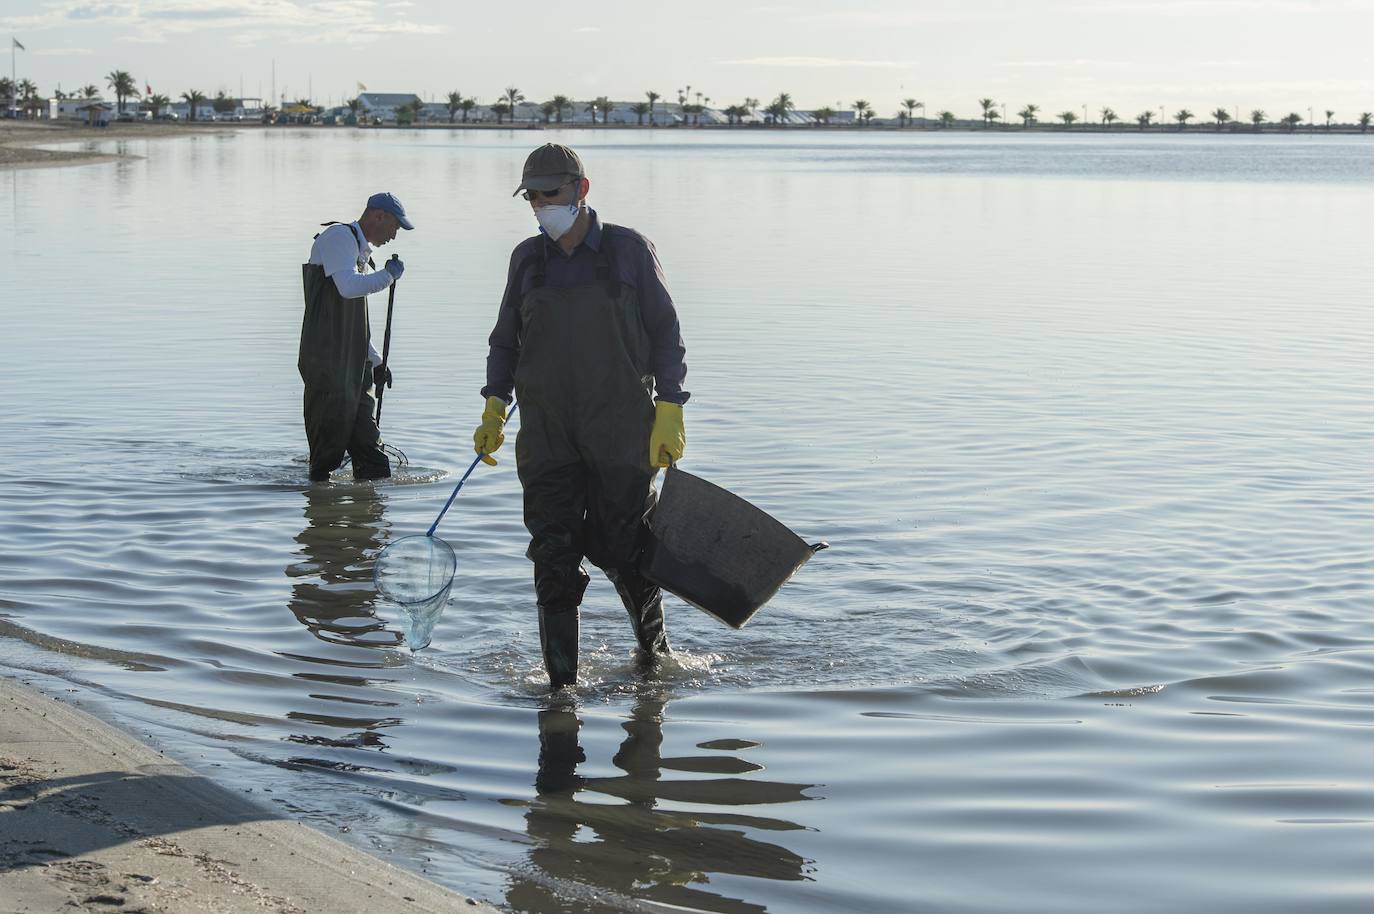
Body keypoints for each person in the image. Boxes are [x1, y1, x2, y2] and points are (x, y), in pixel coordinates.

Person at [475, 143, 688, 689]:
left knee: (625, 549)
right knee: (552, 553)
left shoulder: (629, 251)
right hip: (546, 434)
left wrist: (670, 406)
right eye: (532, 196)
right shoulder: (528, 259)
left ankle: (653, 655)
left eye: (551, 193)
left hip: (620, 429)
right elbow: (505, 340)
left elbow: (666, 334)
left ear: (582, 188)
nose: (542, 205)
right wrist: (495, 404)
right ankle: (560, 691)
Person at [299, 192, 411, 482]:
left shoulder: (359, 254)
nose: (394, 236)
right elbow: (348, 288)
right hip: (327, 362)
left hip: (354, 364)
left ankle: (371, 507)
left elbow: (355, 323)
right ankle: (319, 506)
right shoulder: (339, 237)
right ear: (378, 216)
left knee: (372, 457)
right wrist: (388, 276)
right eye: (394, 227)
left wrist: (376, 361)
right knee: (325, 458)